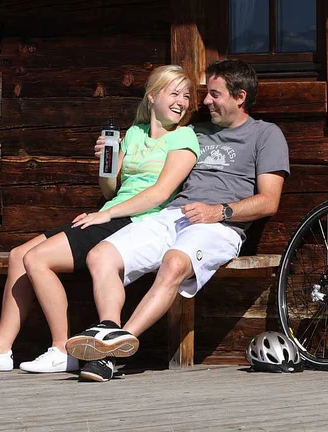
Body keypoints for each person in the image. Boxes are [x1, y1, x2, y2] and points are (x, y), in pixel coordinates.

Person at [0, 65, 200, 374]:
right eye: (174, 93)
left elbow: (160, 193)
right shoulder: (134, 134)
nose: (182, 102)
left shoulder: (185, 139)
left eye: (186, 96)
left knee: (38, 260)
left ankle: (61, 349)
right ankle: (0, 350)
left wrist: (105, 214)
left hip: (135, 221)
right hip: (111, 212)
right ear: (152, 97)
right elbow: (110, 189)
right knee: (18, 256)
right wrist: (107, 161)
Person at [64, 59, 289, 382]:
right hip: (174, 216)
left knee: (173, 263)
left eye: (214, 94)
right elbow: (152, 153)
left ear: (240, 97)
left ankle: (110, 354)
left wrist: (220, 211)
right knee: (101, 255)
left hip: (220, 227)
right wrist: (114, 155)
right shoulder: (194, 131)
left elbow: (269, 201)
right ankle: (111, 329)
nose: (205, 101)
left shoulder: (266, 135)